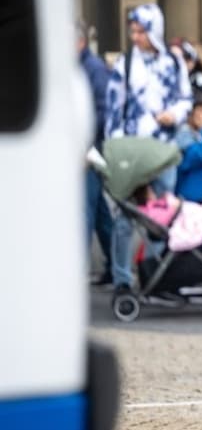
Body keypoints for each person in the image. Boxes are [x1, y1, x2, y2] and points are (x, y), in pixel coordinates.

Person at [105, 3, 193, 295]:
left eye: (141, 31)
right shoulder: (126, 63)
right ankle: (122, 281)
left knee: (162, 217)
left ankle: (156, 278)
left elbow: (186, 99)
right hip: (132, 154)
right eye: (133, 31)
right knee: (124, 218)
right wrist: (116, 149)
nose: (135, 37)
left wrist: (174, 114)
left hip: (164, 152)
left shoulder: (174, 62)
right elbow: (113, 110)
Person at [79, 19, 113, 283]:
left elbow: (102, 111)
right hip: (83, 148)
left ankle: (77, 271)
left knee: (85, 209)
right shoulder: (78, 67)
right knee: (98, 208)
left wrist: (86, 145)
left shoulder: (93, 69)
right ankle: (114, 266)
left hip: (89, 150)